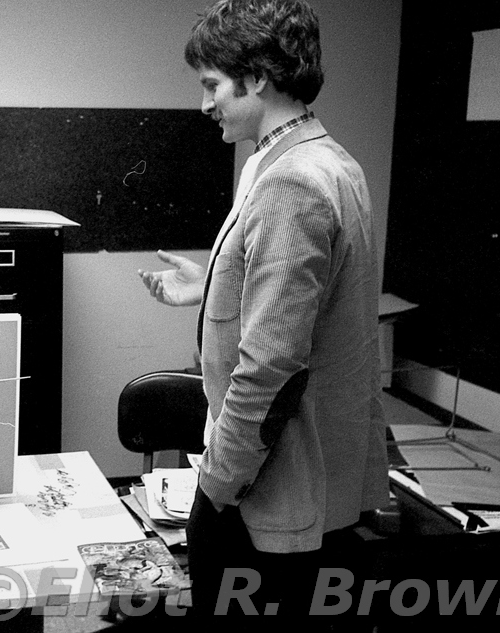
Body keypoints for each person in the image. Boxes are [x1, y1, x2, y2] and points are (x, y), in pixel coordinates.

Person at [138, 0, 389, 616]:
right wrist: (216, 286)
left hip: (275, 487)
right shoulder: (325, 160)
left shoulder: (290, 180)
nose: (205, 104)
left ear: (257, 77)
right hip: (316, 470)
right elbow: (308, 300)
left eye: (212, 85)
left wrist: (217, 489)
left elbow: (272, 366)